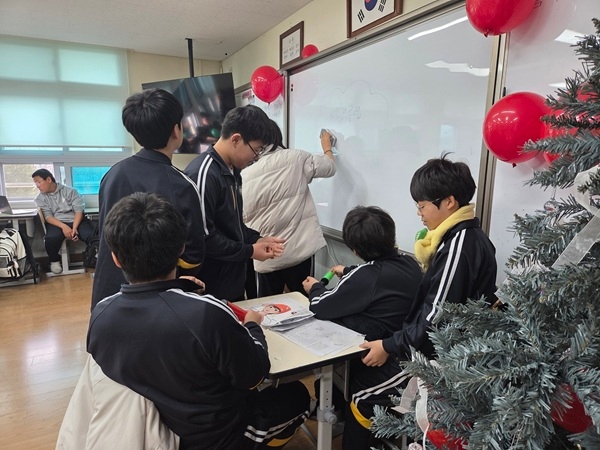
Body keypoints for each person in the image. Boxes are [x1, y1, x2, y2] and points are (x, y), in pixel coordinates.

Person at [88, 192, 310, 450]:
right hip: (219, 436)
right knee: (297, 395)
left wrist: (179, 289)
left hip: (151, 429)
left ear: (115, 258)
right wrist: (252, 325)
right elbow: (255, 376)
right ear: (181, 248)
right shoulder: (207, 314)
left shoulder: (101, 315)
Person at [302, 206, 422, 450]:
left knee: (359, 395)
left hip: (399, 359)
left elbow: (321, 306)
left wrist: (314, 287)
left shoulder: (367, 275)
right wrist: (348, 271)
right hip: (403, 342)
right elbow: (380, 276)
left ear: (355, 250)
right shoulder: (410, 263)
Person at [90, 88, 205, 310]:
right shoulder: (181, 184)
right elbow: (193, 255)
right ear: (176, 130)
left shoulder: (112, 174)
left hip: (109, 293)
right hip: (159, 299)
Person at [185, 105, 285, 301]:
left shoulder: (232, 172)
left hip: (231, 280)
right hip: (210, 287)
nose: (256, 158)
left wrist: (257, 239)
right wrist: (250, 251)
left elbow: (233, 226)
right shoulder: (204, 173)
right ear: (236, 140)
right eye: (256, 150)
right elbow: (204, 239)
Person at [243, 121, 337, 297]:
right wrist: (327, 148)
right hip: (299, 251)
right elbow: (330, 167)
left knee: (268, 306)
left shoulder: (244, 174)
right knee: (303, 300)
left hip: (267, 254)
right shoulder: (296, 158)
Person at [32, 169, 96, 274]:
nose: (37, 186)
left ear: (48, 179)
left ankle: (94, 257)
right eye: (35, 183)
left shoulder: (71, 191)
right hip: (57, 222)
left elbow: (78, 211)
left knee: (91, 235)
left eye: (39, 182)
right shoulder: (40, 198)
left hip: (76, 220)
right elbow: (48, 217)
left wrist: (74, 228)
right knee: (51, 238)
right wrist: (64, 227)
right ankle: (54, 261)